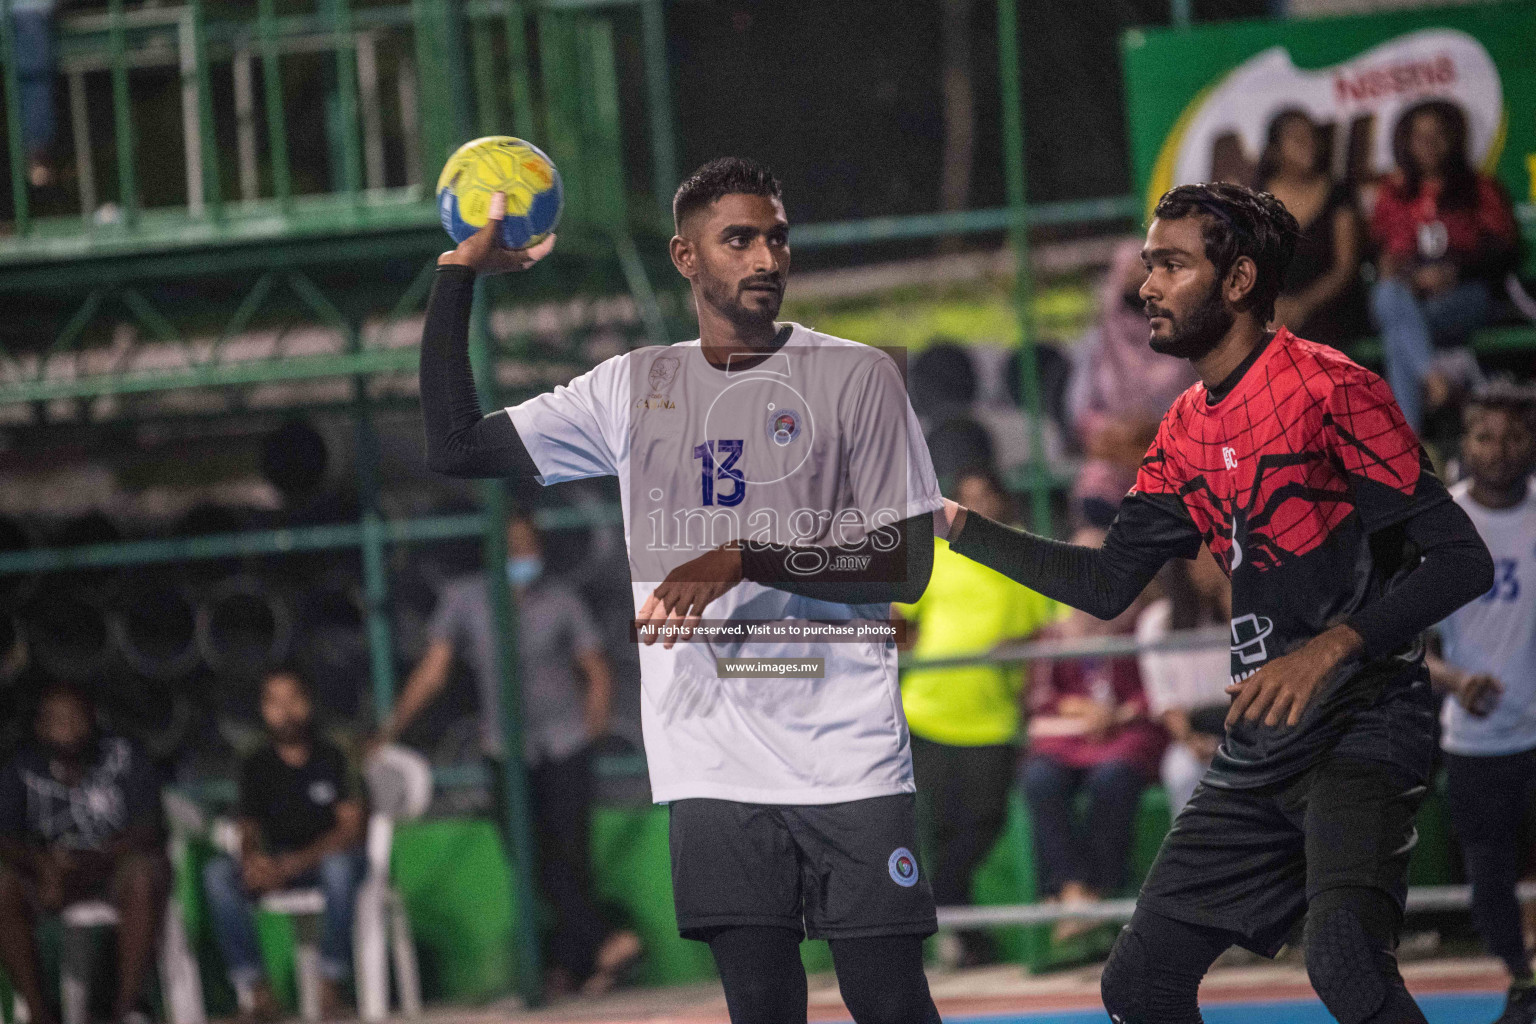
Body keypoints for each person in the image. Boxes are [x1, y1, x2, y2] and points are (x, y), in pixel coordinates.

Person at [935, 181, 1493, 1023]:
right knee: (1138, 984)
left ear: (1236, 282)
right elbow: (1106, 582)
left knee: (1344, 961)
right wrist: (957, 524)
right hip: (1262, 739)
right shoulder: (1186, 427)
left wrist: (1330, 645)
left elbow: (1461, 560)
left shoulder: (1333, 388)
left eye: (1170, 264)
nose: (1146, 285)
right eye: (1147, 265)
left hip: (1367, 721)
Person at [417, 158, 947, 1024]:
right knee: (762, 1008)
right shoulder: (630, 388)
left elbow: (905, 563)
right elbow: (454, 445)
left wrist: (746, 555)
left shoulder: (859, 377)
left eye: (776, 236)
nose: (766, 257)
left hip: (847, 754)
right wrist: (457, 277)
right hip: (712, 767)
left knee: (888, 1001)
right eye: (738, 239)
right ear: (685, 257)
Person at [376, 510, 640, 998]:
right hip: (505, 750)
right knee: (529, 858)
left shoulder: (560, 599)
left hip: (564, 745)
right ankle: (607, 943)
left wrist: (593, 731)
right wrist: (390, 728)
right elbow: (434, 672)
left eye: (531, 546)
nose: (525, 556)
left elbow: (596, 669)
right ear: (495, 550)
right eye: (515, 546)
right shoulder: (465, 600)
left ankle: (574, 968)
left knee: (570, 858)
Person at [893, 468, 1059, 968]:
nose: (977, 507)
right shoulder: (936, 555)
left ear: (1004, 500)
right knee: (937, 827)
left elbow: (1052, 628)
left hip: (993, 715)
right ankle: (965, 936)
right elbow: (901, 618)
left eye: (985, 496)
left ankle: (948, 913)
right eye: (965, 501)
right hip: (928, 708)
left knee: (983, 822)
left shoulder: (1026, 552)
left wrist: (1020, 648)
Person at [1425, 382, 1536, 1024]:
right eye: (1485, 437)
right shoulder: (1443, 526)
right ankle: (1520, 984)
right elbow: (1405, 641)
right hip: (1475, 741)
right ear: (1464, 444)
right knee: (1489, 884)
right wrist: (1454, 680)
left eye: (1513, 436)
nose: (1498, 451)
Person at [1020, 525, 1163, 942]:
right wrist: (1079, 707)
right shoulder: (1057, 630)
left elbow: (1156, 687)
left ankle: (1096, 892)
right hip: (1069, 735)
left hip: (1127, 732)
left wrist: (1117, 712)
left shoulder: (1141, 621)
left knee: (1113, 779)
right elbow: (1041, 694)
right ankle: (1073, 891)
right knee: (1039, 779)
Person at [0, 682, 170, 1024]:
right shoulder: (21, 766)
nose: (66, 727)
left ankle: (124, 1009)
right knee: (2, 886)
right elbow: (4, 836)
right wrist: (42, 863)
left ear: (93, 719)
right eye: (55, 719)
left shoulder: (124, 755)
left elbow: (149, 828)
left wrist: (85, 862)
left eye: (74, 717)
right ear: (39, 726)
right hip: (48, 874)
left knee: (145, 875)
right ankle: (38, 1012)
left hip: (111, 869)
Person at [202, 668, 366, 1023]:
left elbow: (351, 830)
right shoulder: (254, 759)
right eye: (274, 702)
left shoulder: (334, 750)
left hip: (327, 860)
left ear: (308, 702)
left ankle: (331, 988)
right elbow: (246, 825)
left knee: (340, 867)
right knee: (217, 875)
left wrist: (294, 864)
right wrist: (252, 862)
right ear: (262, 709)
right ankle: (258, 994)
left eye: (293, 698)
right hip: (278, 863)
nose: (285, 710)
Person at [1369, 99, 1520, 433]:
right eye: (1419, 135)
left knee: (1399, 334)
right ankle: (1432, 379)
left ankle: (1409, 448)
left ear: (1454, 138)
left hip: (1465, 297)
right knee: (1388, 298)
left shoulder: (1479, 189)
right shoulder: (1392, 195)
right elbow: (1378, 255)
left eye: (1438, 134)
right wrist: (1405, 272)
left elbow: (1505, 251)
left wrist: (1454, 273)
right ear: (1405, 142)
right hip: (1413, 299)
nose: (1429, 143)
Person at [1067, 239, 1198, 526]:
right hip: (1114, 460)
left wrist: (1150, 429)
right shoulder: (1098, 345)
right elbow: (1080, 414)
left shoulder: (1188, 344)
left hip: (1177, 464)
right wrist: (1115, 432)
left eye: (1148, 295)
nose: (1140, 307)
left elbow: (1199, 415)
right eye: (1130, 296)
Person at [1255, 109, 1365, 346]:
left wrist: (1301, 306)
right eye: (1297, 138)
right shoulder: (1256, 201)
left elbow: (1345, 268)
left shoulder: (1339, 194)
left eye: (1312, 136)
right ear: (1274, 151)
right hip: (1274, 309)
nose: (1309, 145)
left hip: (1329, 306)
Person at [1136, 548, 1232, 818]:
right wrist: (1190, 739)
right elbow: (1164, 700)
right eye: (1201, 556)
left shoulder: (1242, 612)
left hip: (1247, 727)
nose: (1209, 565)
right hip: (1194, 731)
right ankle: (1198, 858)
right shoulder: (1157, 622)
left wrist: (1227, 589)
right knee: (1181, 771)